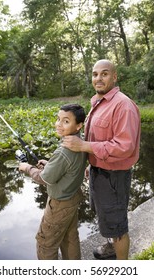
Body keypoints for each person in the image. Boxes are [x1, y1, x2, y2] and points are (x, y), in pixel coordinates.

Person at [62, 59, 141, 260]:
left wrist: (84, 146)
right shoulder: (97, 102)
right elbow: (101, 138)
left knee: (118, 224)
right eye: (95, 74)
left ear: (114, 77)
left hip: (114, 176)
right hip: (99, 171)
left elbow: (125, 147)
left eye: (104, 74)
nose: (98, 78)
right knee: (105, 215)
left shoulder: (123, 105)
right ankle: (111, 245)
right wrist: (91, 163)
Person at [19, 104, 87, 260]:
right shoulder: (80, 142)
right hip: (73, 198)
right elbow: (68, 167)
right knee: (70, 238)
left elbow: (43, 178)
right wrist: (49, 164)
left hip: (59, 205)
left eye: (65, 121)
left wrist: (27, 168)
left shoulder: (63, 151)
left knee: (45, 244)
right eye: (58, 119)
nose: (58, 124)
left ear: (78, 125)